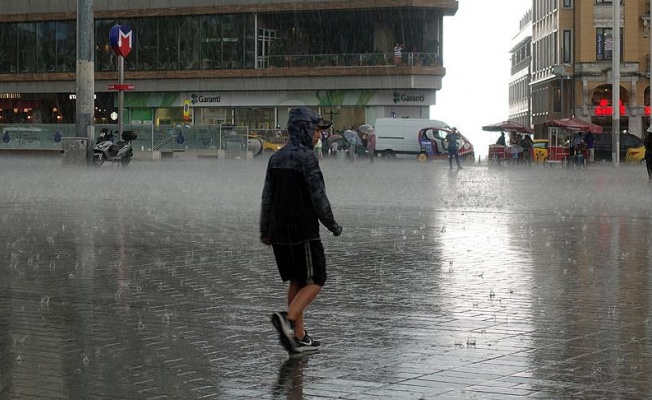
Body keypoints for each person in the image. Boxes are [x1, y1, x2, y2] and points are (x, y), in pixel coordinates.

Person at [260, 107, 343, 354]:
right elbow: (318, 198)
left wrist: (266, 229)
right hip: (303, 231)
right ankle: (287, 318)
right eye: (317, 130)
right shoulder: (307, 158)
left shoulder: (275, 158)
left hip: (279, 233)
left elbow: (267, 196)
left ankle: (298, 337)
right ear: (305, 129)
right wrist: (332, 224)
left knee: (298, 279)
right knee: (317, 279)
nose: (319, 135)